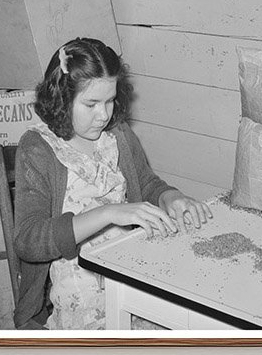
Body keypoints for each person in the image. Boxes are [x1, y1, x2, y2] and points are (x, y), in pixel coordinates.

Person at [13, 37, 213, 330]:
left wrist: (170, 196)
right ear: (61, 97)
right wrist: (108, 213)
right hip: (80, 298)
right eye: (91, 103)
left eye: (109, 101)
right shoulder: (38, 148)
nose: (103, 115)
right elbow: (28, 241)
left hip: (131, 272)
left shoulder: (117, 135)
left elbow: (146, 183)